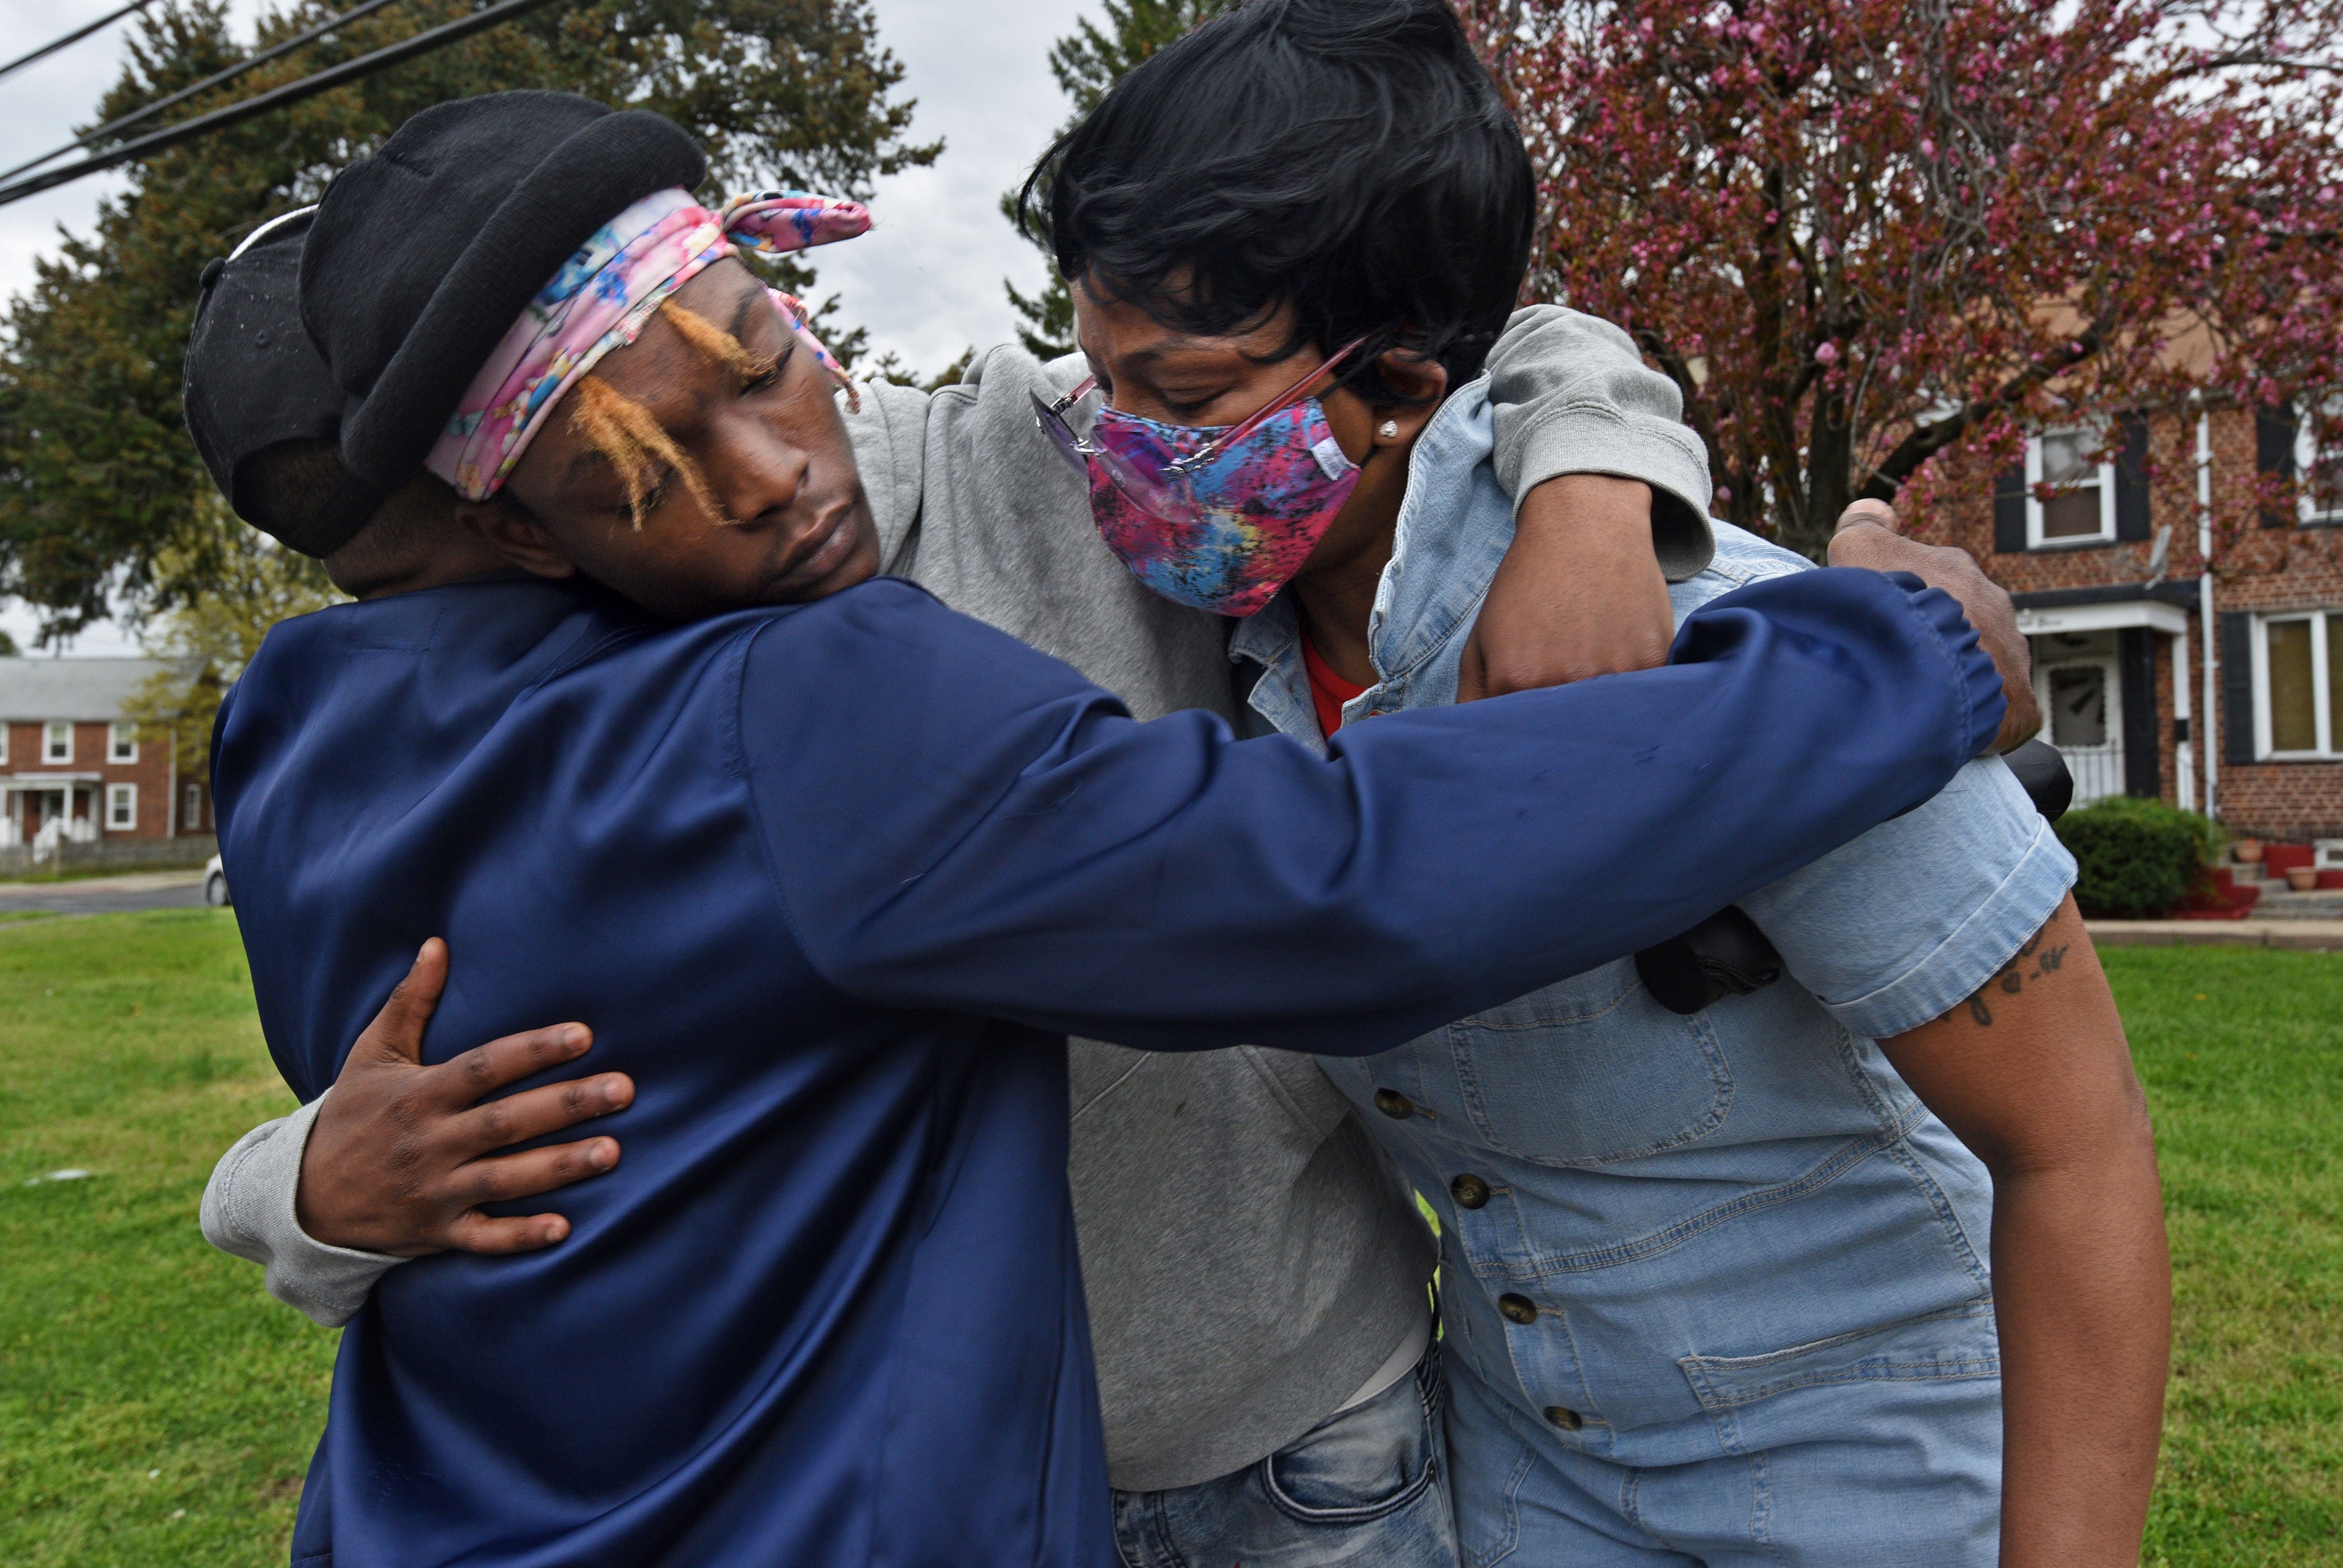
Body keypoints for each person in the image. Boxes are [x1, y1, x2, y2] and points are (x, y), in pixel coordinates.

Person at [191, 90, 2004, 1568]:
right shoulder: (788, 711)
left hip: (1258, 1424)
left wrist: (1600, 452)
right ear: (524, 530)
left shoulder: (292, 742)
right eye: (635, 482)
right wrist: (1900, 659)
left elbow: (1395, 333)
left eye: (759, 367)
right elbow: (1346, 884)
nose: (767, 478)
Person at [1013, 0, 2169, 1567]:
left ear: (1404, 383)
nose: (1119, 453)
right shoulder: (1220, 647)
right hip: (1529, 1472)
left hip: (1879, 1474)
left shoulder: (1727, 655)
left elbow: (2076, 1144)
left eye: (1187, 402)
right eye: (1102, 382)